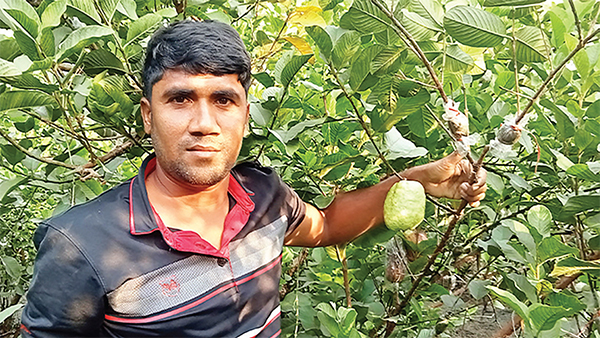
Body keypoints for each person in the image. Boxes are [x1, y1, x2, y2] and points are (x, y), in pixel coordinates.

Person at [20, 20, 487, 337]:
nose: (204, 122)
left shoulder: (263, 195)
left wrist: (414, 181)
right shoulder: (81, 243)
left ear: (245, 115)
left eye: (223, 100)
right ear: (148, 115)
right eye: (180, 99)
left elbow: (326, 226)